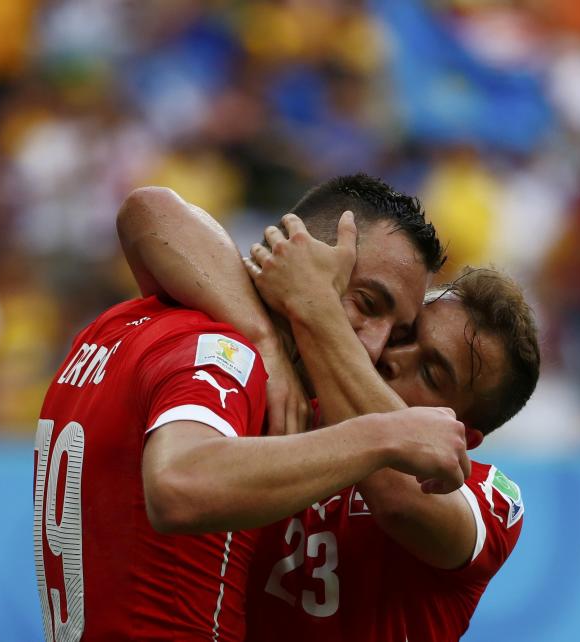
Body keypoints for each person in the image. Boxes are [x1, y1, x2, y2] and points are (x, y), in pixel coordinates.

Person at [33, 177, 471, 641]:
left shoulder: (116, 326)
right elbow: (179, 483)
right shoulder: (225, 354)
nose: (373, 346)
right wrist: (385, 436)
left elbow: (150, 210)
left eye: (395, 331)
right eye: (366, 303)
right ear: (298, 254)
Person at [120, 180, 540, 640]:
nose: (383, 351)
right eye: (406, 335)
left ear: (463, 433)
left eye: (432, 373)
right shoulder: (287, 392)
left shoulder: (486, 499)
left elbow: (399, 494)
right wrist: (266, 339)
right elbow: (151, 212)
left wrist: (315, 307)